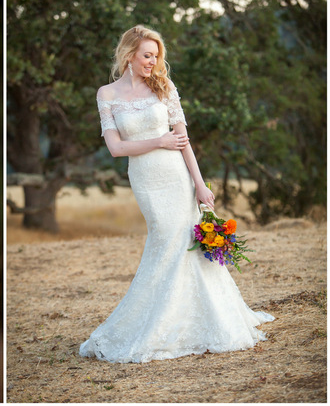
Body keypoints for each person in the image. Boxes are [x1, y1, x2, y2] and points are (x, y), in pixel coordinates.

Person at [79, 25, 274, 363]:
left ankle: (197, 320)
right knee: (165, 238)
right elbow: (116, 148)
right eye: (147, 55)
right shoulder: (106, 94)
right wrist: (158, 140)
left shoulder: (164, 87)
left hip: (176, 177)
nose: (153, 62)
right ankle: (152, 321)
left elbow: (183, 142)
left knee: (184, 241)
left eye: (156, 56)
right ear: (129, 55)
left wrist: (200, 185)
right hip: (146, 180)